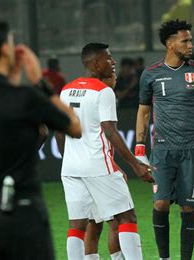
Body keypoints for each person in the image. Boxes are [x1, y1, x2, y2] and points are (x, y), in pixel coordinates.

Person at [0, 18, 81, 260]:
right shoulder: (26, 99)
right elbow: (73, 126)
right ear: (4, 50)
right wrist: (40, 82)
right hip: (21, 214)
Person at [56, 42, 153, 260]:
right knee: (127, 218)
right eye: (109, 58)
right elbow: (110, 132)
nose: (113, 62)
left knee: (77, 225)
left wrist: (70, 158)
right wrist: (135, 164)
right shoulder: (103, 91)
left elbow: (59, 134)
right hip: (98, 165)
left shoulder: (66, 90)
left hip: (70, 168)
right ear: (95, 63)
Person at [135, 19, 194, 260]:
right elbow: (143, 111)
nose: (190, 44)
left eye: (190, 40)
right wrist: (140, 147)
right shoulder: (151, 74)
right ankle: (164, 257)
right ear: (171, 44)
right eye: (185, 40)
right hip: (162, 150)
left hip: (192, 149)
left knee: (188, 208)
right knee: (160, 204)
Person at [83, 72, 125, 260]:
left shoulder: (86, 98)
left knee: (93, 223)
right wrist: (121, 166)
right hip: (99, 169)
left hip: (84, 168)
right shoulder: (104, 95)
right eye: (112, 73)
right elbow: (108, 133)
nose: (115, 76)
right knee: (118, 221)